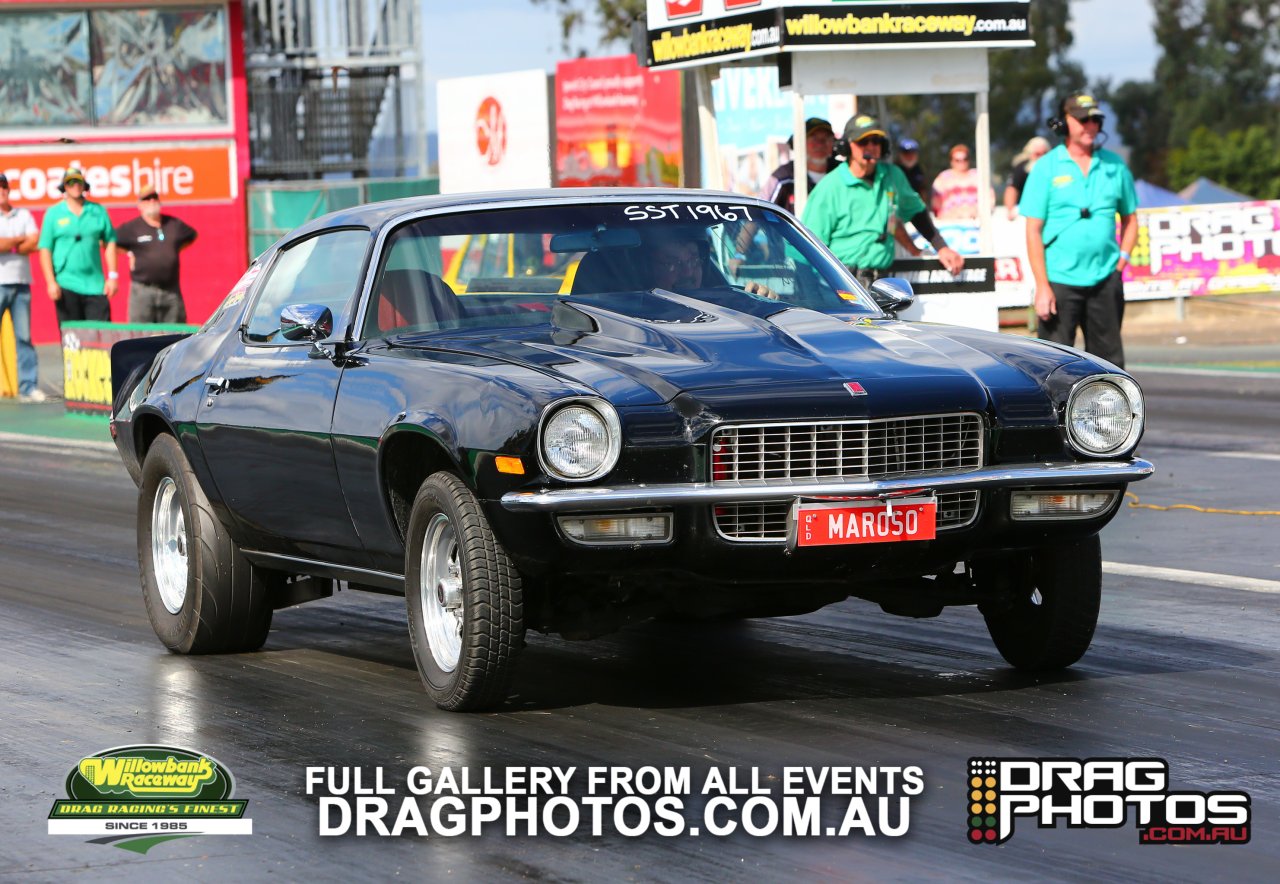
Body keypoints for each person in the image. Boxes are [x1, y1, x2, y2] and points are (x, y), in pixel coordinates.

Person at [1020, 92, 1137, 368]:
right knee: (1051, 367)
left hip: (1105, 279)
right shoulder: (1046, 167)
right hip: (1059, 281)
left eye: (1095, 119)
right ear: (1063, 123)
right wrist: (1043, 287)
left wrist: (1121, 265)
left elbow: (1131, 219)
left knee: (1109, 367)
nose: (1090, 126)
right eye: (1082, 119)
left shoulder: (1115, 165)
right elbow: (1033, 230)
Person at [802, 115, 964, 288]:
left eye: (876, 141)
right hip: (841, 284)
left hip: (883, 282)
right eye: (863, 141)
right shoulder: (829, 187)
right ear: (847, 146)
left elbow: (915, 211)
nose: (871, 147)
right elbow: (808, 246)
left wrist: (941, 247)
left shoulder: (893, 175)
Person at [37, 168, 118, 324]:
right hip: (66, 284)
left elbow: (110, 243)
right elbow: (45, 249)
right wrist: (51, 282)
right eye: (70, 182)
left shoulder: (98, 211)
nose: (75, 185)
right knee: (71, 340)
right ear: (64, 187)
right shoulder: (53, 213)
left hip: (95, 285)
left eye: (78, 182)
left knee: (100, 339)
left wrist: (113, 277)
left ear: (84, 185)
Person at [115, 190, 198, 323]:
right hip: (143, 291)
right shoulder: (132, 227)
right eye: (147, 199)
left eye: (154, 197)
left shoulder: (173, 224)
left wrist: (172, 250)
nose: (152, 201)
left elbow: (192, 235)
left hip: (171, 291)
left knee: (174, 337)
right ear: (140, 205)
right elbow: (108, 241)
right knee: (140, 338)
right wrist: (129, 252)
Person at [0, 173, 44, 402]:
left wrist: (11, 244)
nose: (2, 190)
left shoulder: (24, 214)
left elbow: (34, 241)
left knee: (24, 337)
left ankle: (28, 386)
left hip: (21, 284)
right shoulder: (21, 223)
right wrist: (19, 240)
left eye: (4, 186)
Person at [759, 117, 840, 214]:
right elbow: (759, 214)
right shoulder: (782, 178)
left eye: (826, 138)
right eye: (814, 138)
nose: (820, 144)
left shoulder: (842, 174)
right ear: (798, 144)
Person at [931, 144, 984, 220]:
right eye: (957, 160)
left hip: (976, 223)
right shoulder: (943, 178)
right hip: (950, 223)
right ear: (951, 161)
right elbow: (936, 202)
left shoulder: (978, 175)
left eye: (964, 159)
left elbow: (989, 199)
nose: (961, 162)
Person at [1003, 136, 1051, 219]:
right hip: (1026, 213)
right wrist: (1011, 210)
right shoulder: (1022, 168)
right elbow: (1012, 189)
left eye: (1045, 153)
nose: (1042, 157)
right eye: (1038, 154)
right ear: (1030, 154)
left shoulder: (1054, 168)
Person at [893, 137, 930, 204]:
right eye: (906, 153)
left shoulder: (920, 171)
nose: (910, 156)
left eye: (912, 153)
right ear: (900, 155)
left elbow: (923, 192)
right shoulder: (893, 171)